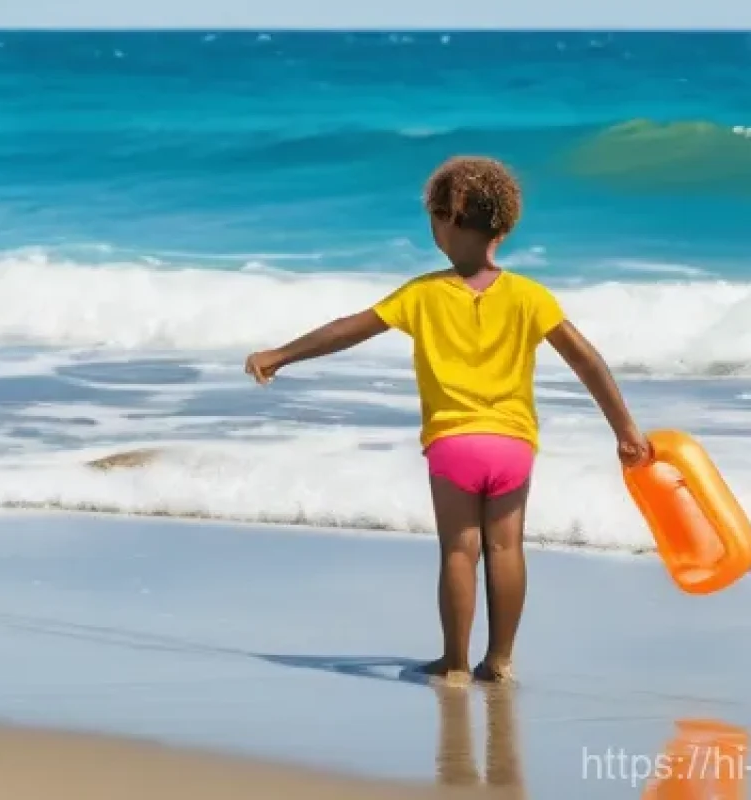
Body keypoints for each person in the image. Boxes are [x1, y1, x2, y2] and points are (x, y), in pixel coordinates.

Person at [245, 156, 650, 684]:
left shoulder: (422, 293)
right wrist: (625, 430)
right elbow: (587, 360)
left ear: (447, 220)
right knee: (506, 548)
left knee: (460, 551)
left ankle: (455, 663)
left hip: (454, 446)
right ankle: (499, 660)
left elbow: (349, 329)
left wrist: (280, 354)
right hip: (511, 445)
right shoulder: (531, 296)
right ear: (503, 227)